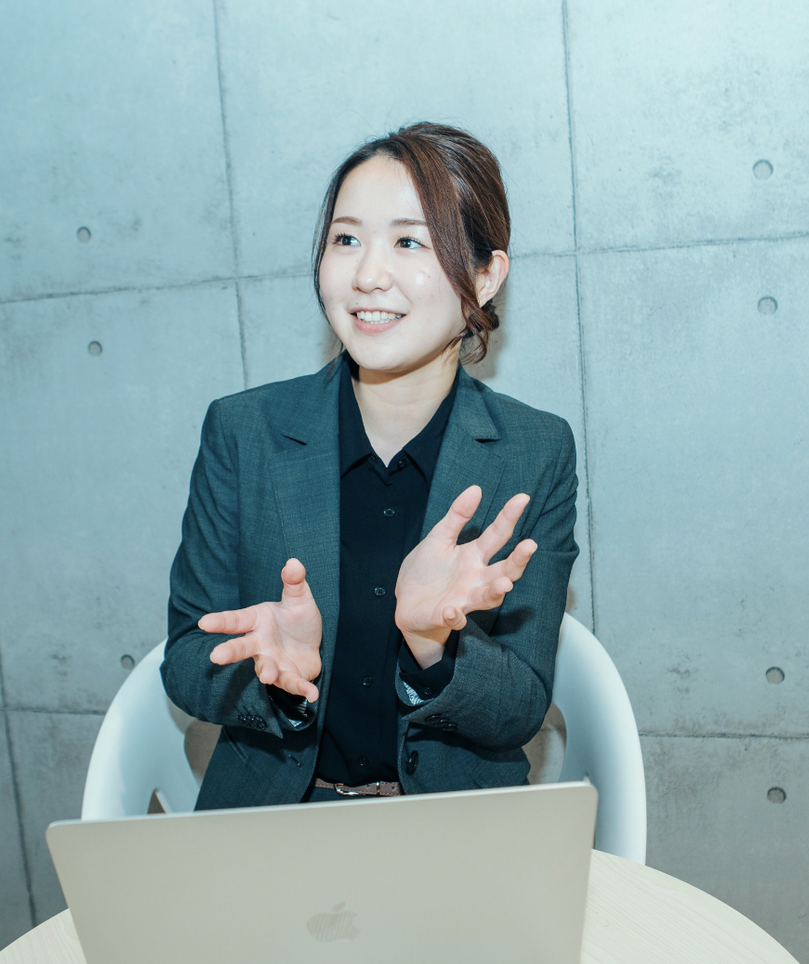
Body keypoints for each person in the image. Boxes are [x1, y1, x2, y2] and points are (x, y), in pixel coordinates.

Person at [160, 122, 579, 808]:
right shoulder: (244, 433)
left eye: (409, 242)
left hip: (453, 825)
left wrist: (432, 645)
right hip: (277, 821)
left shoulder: (535, 450)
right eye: (346, 240)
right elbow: (185, 661)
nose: (367, 276)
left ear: (485, 276)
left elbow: (520, 709)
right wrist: (279, 679)